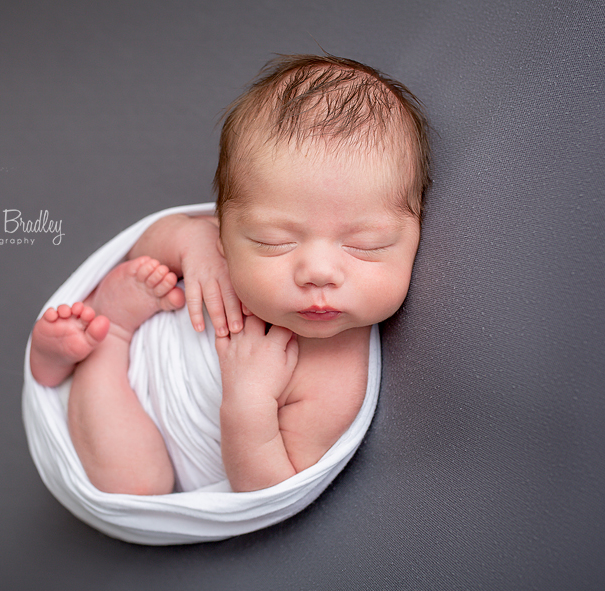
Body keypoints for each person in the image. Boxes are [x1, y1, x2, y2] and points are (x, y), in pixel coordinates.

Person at [29, 54, 430, 495]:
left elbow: (268, 490)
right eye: (273, 240)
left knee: (137, 483)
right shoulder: (216, 247)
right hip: (152, 336)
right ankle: (77, 344)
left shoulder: (336, 381)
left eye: (365, 245)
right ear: (226, 230)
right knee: (149, 264)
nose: (318, 272)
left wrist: (249, 401)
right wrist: (189, 243)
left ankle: (103, 344)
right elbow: (147, 244)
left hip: (148, 436)